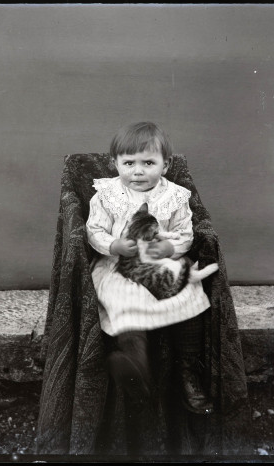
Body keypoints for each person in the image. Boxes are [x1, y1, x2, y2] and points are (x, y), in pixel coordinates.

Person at [86, 121, 215, 415]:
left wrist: (171, 248)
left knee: (189, 296)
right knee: (123, 300)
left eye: (148, 162)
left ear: (165, 165)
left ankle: (188, 371)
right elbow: (94, 230)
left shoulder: (175, 197)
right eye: (128, 163)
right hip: (121, 266)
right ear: (115, 164)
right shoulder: (106, 195)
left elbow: (185, 233)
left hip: (161, 263)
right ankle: (135, 361)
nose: (138, 171)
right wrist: (113, 245)